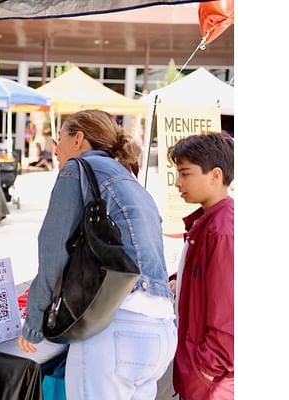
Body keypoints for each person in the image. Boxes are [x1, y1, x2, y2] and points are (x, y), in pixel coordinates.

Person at [18, 109, 176, 400]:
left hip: (116, 328)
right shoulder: (128, 179)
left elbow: (52, 249)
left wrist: (34, 322)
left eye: (60, 139)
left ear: (78, 139)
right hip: (162, 330)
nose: (55, 148)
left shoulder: (76, 169)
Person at [168, 132, 234, 400]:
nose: (178, 183)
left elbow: (228, 314)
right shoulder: (207, 222)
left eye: (185, 174)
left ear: (215, 175)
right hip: (202, 375)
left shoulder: (223, 231)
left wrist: (204, 370)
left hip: (212, 382)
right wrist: (178, 279)